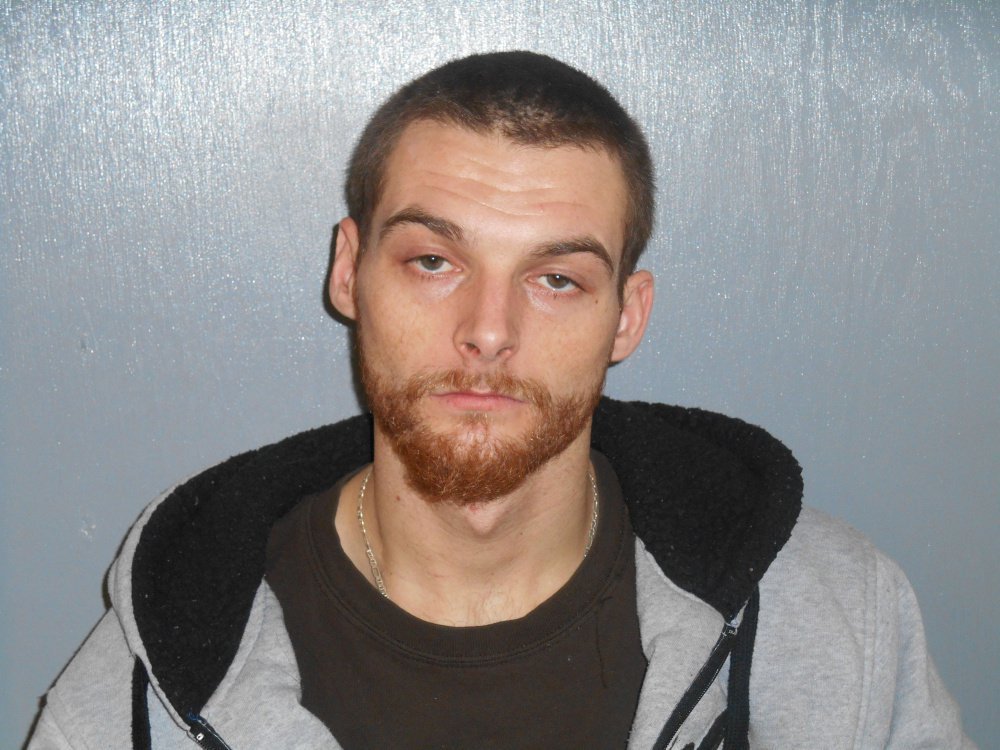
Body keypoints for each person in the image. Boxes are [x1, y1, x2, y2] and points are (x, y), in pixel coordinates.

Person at [28, 51, 971, 750]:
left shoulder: (836, 617)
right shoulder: (151, 686)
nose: (487, 331)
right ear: (349, 272)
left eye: (556, 278)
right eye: (433, 261)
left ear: (627, 316)